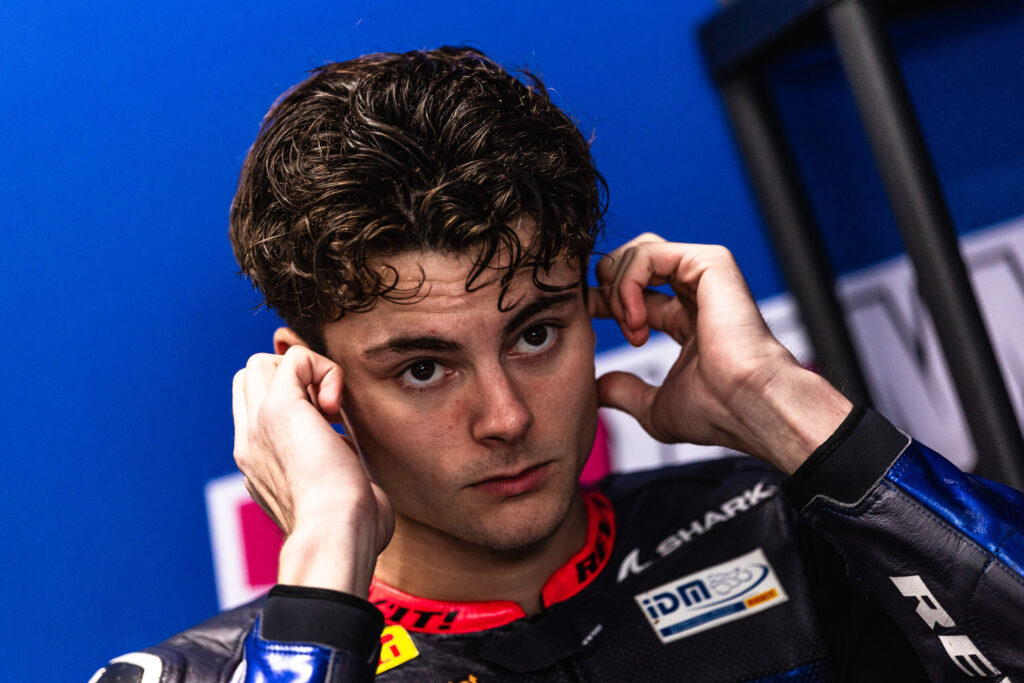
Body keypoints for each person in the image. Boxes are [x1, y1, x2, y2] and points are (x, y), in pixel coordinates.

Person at [91, 47, 1024, 683]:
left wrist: (789, 409)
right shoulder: (193, 672)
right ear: (314, 387)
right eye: (423, 369)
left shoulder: (789, 534)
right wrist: (325, 568)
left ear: (594, 308)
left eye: (535, 334)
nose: (505, 416)